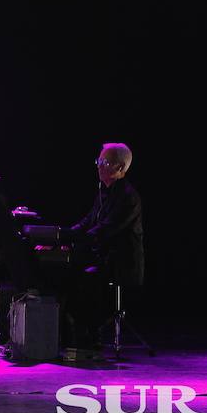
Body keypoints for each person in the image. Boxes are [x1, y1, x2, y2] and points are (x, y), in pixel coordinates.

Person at [60, 142, 143, 351]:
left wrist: (73, 243)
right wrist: (60, 237)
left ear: (120, 168)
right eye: (98, 161)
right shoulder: (103, 194)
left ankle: (89, 335)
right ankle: (71, 334)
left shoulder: (128, 197)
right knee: (66, 272)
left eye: (104, 162)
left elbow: (105, 230)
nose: (99, 166)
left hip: (122, 263)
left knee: (85, 278)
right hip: (104, 258)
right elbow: (87, 222)